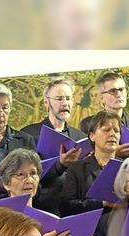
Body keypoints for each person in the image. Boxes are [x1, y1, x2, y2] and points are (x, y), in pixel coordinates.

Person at [21, 77, 86, 214]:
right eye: (59, 99)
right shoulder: (29, 135)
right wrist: (60, 164)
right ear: (46, 102)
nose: (65, 103)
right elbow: (25, 176)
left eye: (68, 98)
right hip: (44, 207)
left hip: (75, 207)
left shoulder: (81, 137)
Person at [80, 72, 129, 161]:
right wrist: (112, 152)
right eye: (113, 91)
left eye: (121, 89)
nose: (118, 94)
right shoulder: (89, 123)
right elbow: (84, 158)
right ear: (102, 98)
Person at [60, 111, 120, 216]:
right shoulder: (77, 168)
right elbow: (66, 207)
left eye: (116, 130)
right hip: (90, 228)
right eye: (106, 130)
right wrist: (101, 203)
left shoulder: (127, 168)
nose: (112, 134)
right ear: (92, 136)